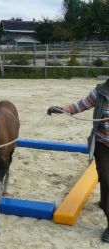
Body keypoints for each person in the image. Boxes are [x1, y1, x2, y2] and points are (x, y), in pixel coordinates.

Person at [47, 79, 109, 243]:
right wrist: (62, 109)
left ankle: (104, 202)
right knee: (105, 176)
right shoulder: (101, 91)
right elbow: (81, 105)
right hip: (103, 144)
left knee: (106, 182)